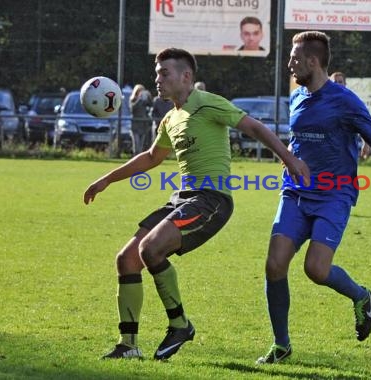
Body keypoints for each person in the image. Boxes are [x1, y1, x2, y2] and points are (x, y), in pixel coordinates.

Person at [83, 47, 310, 361]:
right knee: (127, 259)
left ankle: (180, 325)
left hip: (211, 201)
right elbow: (152, 157)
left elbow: (254, 127)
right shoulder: (170, 117)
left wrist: (290, 159)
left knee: (150, 249)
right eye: (157, 73)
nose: (157, 80)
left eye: (165, 73)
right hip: (183, 198)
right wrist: (107, 179)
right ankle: (128, 345)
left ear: (186, 77)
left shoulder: (207, 103)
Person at [256, 31, 371, 364]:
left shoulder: (344, 100)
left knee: (316, 269)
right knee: (274, 264)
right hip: (296, 192)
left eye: (295, 58)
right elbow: (297, 142)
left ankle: (361, 296)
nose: (290, 64)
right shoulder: (297, 97)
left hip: (334, 195)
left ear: (313, 62)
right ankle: (281, 345)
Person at [329, 71, 371, 160]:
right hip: (327, 151)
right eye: (334, 82)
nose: (337, 84)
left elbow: (364, 124)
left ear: (345, 84)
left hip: (347, 152)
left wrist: (366, 144)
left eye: (340, 82)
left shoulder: (352, 103)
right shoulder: (323, 102)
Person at [129, 84, 153, 155]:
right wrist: (139, 99)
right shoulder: (133, 100)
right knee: (136, 146)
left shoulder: (144, 101)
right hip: (135, 126)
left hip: (143, 126)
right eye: (140, 91)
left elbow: (151, 105)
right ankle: (134, 161)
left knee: (141, 147)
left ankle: (138, 162)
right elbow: (132, 109)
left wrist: (149, 97)